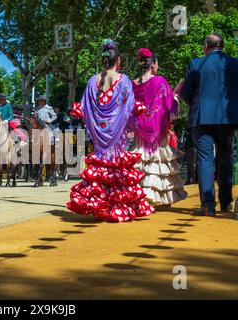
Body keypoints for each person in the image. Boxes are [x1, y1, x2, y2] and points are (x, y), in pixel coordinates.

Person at [66, 39, 154, 223]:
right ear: (119, 61)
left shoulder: (92, 81)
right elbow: (130, 106)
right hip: (116, 134)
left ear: (103, 60)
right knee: (116, 168)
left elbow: (84, 108)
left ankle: (99, 205)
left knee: (100, 168)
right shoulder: (123, 81)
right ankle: (116, 208)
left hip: (98, 134)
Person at [179, 33, 238, 216]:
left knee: (204, 158)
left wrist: (196, 104)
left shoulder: (196, 64)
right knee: (226, 157)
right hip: (228, 119)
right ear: (222, 46)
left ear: (206, 46)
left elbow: (185, 93)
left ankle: (208, 204)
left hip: (202, 117)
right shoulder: (237, 65)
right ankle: (226, 203)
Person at [131, 48, 187, 207]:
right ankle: (157, 197)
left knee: (141, 156)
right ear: (153, 65)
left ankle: (140, 193)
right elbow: (170, 104)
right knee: (158, 159)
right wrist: (177, 93)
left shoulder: (133, 83)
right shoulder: (160, 81)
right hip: (157, 127)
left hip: (139, 126)